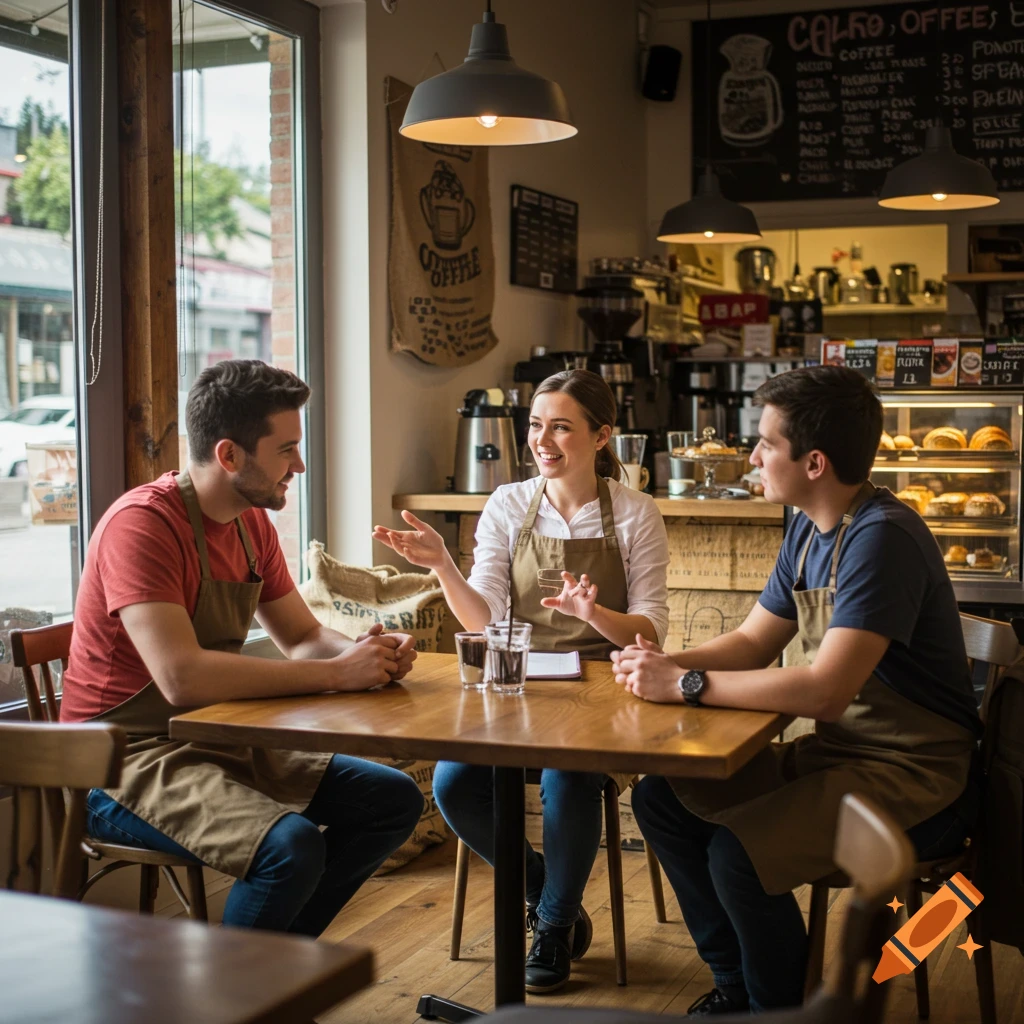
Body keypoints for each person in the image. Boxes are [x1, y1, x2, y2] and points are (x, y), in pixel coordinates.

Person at [613, 365, 982, 1015]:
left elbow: (824, 693)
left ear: (813, 462)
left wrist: (687, 684)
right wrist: (661, 661)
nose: (752, 455)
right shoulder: (809, 528)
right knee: (663, 801)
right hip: (844, 758)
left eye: (764, 443)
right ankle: (737, 985)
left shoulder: (880, 538)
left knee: (738, 856)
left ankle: (782, 1009)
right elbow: (754, 641)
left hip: (918, 774)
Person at [61, 359, 425, 936]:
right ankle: (234, 1001)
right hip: (119, 761)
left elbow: (304, 637)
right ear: (229, 455)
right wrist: (338, 676)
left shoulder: (252, 524)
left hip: (212, 736)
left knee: (393, 800)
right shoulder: (142, 526)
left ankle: (276, 976)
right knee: (291, 849)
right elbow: (181, 678)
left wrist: (365, 651)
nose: (299, 466)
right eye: (286, 451)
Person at [373, 369, 669, 993]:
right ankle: (543, 888)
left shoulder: (637, 513)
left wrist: (592, 614)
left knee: (568, 777)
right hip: (523, 683)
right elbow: (483, 616)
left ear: (601, 436)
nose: (543, 440)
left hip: (607, 684)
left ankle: (554, 926)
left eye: (561, 426)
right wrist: (443, 566)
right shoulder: (509, 504)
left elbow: (650, 631)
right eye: (536, 425)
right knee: (455, 784)